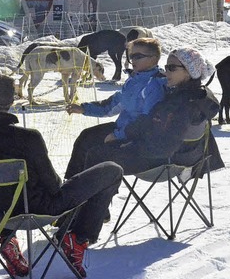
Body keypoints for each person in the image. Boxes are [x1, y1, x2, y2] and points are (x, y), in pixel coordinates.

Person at [0, 74, 123, 278]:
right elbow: (52, 186)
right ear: (12, 102)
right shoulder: (28, 138)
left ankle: (7, 239)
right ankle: (78, 238)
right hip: (38, 211)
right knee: (112, 170)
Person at [84, 47, 225, 175]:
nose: (166, 72)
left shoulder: (182, 102)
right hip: (190, 156)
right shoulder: (198, 95)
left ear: (189, 72)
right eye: (166, 67)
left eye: (172, 68)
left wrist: (129, 143)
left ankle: (81, 201)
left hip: (165, 161)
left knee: (97, 155)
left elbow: (164, 143)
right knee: (93, 142)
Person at [64, 37, 166, 180]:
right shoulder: (135, 79)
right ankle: (70, 186)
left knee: (96, 155)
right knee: (86, 137)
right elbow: (114, 104)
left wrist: (118, 135)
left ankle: (87, 194)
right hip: (122, 128)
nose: (133, 60)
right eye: (131, 56)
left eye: (138, 56)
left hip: (136, 138)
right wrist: (84, 109)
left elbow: (146, 122)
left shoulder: (154, 85)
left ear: (154, 59)